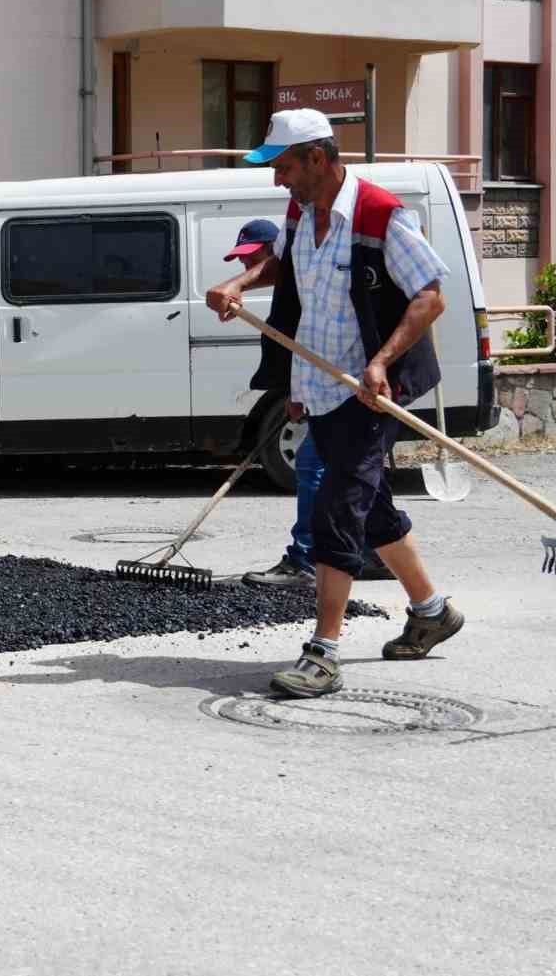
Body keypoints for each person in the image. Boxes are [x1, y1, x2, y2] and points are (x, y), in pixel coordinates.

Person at [205, 108, 465, 698]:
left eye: (284, 167)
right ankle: (432, 610)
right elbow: (288, 267)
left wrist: (380, 363)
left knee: (336, 512)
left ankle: (323, 652)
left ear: (317, 159)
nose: (278, 181)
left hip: (367, 394)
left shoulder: (379, 215)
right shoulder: (302, 212)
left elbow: (430, 297)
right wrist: (240, 284)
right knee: (372, 512)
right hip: (321, 387)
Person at [214, 219, 391, 591]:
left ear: (275, 252)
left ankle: (305, 559)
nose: (247, 267)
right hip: (327, 389)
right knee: (356, 474)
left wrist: (298, 392)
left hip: (350, 389)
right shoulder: (293, 291)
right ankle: (375, 550)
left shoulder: (303, 287)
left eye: (253, 257)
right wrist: (297, 392)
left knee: (314, 467)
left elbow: (312, 344)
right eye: (242, 260)